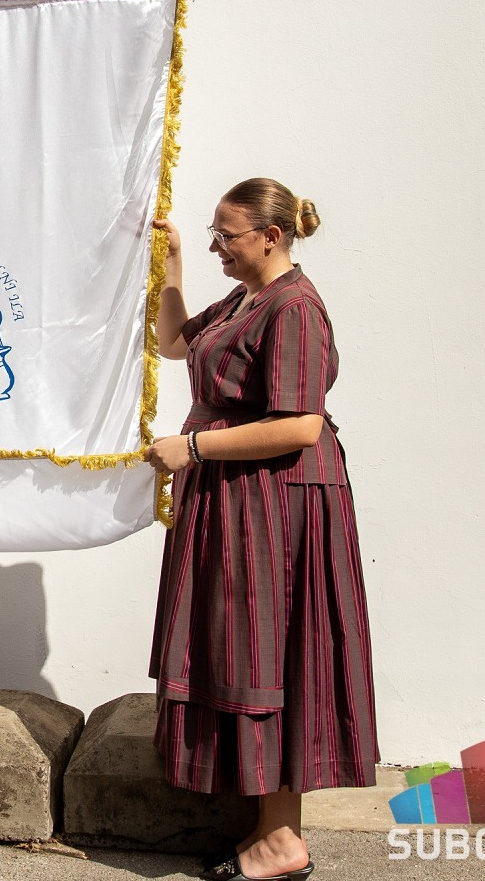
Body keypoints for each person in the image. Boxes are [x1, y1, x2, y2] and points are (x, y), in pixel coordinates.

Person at [143, 178, 376, 881]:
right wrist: (174, 263)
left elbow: (301, 425)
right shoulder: (245, 298)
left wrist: (195, 447)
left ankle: (282, 839)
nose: (218, 244)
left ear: (271, 237)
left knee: (275, 658)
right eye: (213, 234)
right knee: (247, 654)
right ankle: (271, 831)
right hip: (242, 499)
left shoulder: (294, 306)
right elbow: (174, 343)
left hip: (278, 507)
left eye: (227, 234)